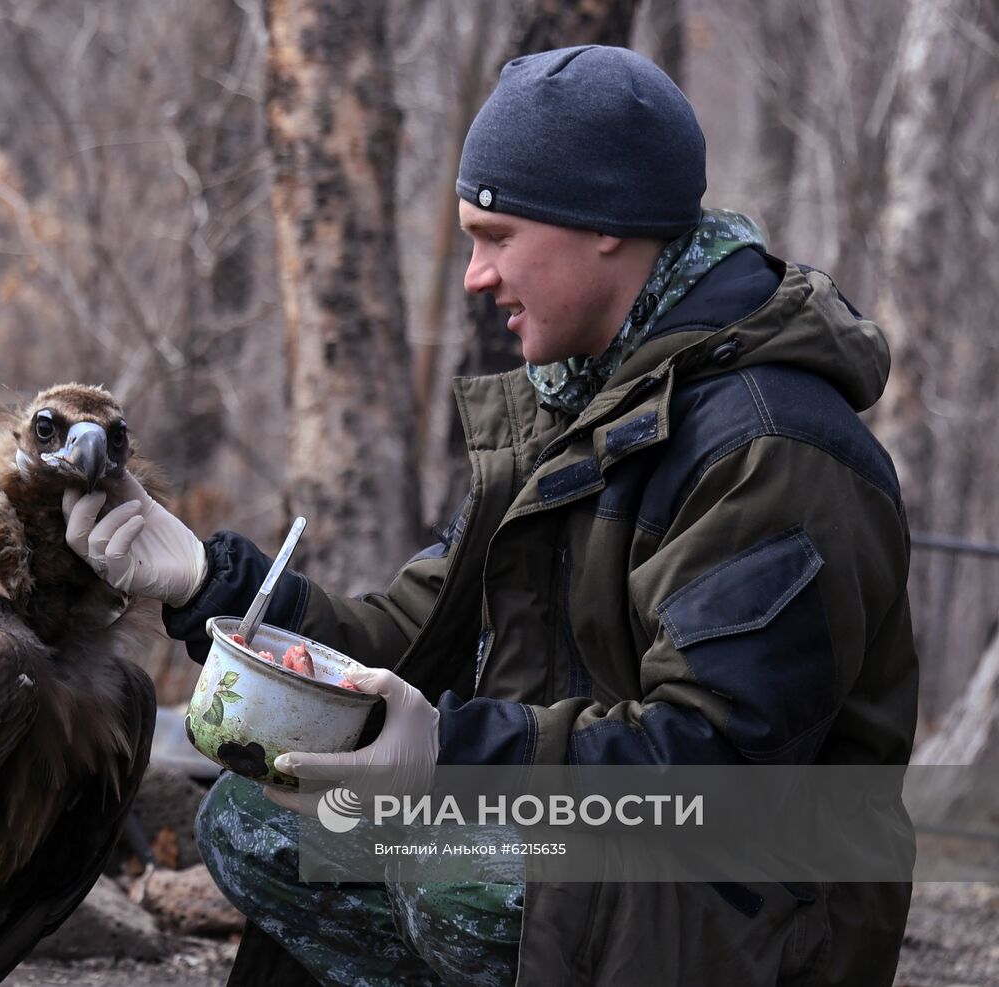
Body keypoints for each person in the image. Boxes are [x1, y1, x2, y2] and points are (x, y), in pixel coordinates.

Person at [61, 45, 917, 987]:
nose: (476, 275)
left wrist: (447, 755)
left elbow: (710, 764)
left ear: (606, 225)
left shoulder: (771, 448)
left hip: (748, 908)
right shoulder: (580, 403)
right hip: (600, 852)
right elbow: (409, 636)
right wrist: (209, 582)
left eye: (497, 233)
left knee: (451, 867)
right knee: (264, 819)